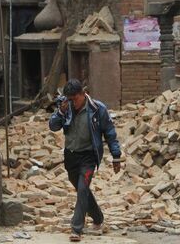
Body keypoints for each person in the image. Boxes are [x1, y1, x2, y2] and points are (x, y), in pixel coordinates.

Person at [49, 79, 122, 242]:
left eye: (75, 99)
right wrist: (60, 112)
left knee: (82, 189)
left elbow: (110, 133)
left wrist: (116, 156)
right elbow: (53, 126)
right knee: (81, 189)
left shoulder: (97, 109)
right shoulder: (65, 107)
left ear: (83, 94)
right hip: (71, 155)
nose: (72, 103)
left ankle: (76, 229)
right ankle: (97, 217)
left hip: (89, 156)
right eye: (69, 99)